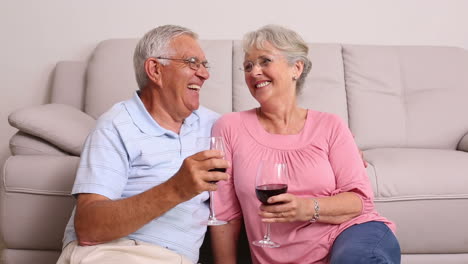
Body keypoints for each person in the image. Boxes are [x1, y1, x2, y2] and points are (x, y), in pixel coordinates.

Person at [210, 25, 401, 264]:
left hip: (350, 236)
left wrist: (307, 208)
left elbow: (360, 201)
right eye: (248, 66)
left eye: (264, 61)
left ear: (296, 68)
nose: (254, 71)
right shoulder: (229, 127)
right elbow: (225, 214)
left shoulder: (330, 125)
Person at [56, 25, 230, 264]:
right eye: (192, 62)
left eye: (204, 65)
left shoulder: (215, 125)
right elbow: (88, 227)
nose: (204, 74)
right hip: (112, 251)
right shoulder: (116, 125)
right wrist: (176, 189)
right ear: (155, 70)